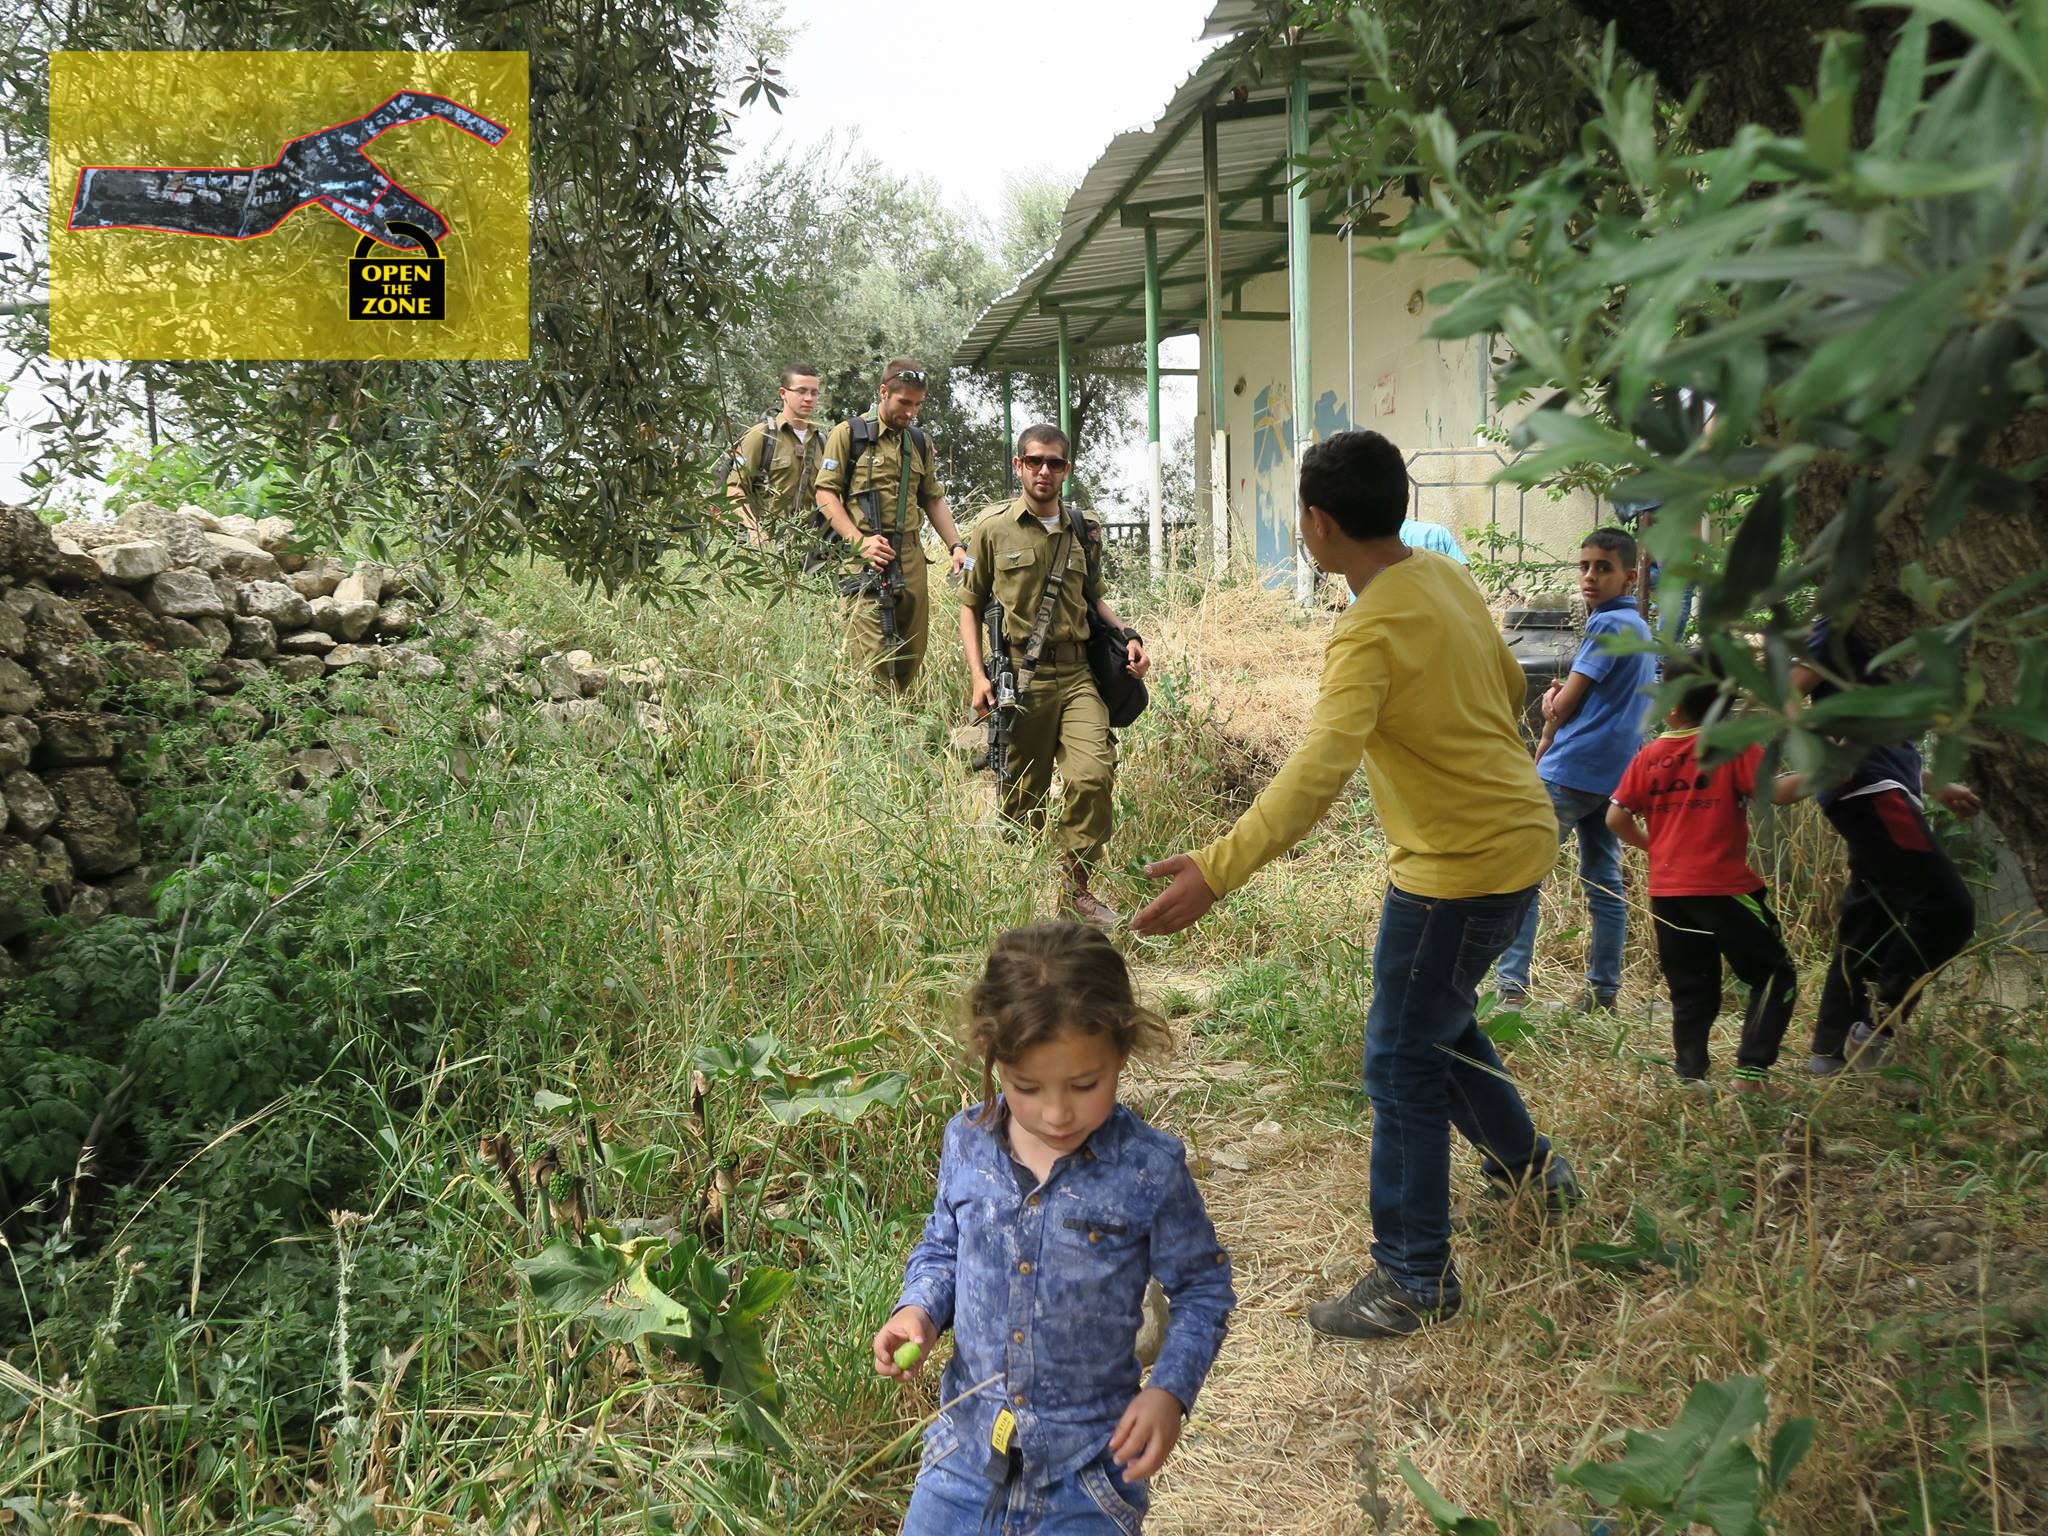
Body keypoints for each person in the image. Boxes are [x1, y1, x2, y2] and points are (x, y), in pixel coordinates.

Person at [1132, 429, 1575, 1342]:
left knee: (1401, 1056)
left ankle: (1414, 1274)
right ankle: (1532, 1173)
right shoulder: (1441, 579)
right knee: (1438, 1030)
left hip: (1458, 869)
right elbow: (1502, 684)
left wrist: (1218, 870)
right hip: (1519, 836)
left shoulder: (1369, 627)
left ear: (1318, 524)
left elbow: (1317, 770)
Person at [874, 922, 1234, 1534]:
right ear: (994, 1059)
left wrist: (1169, 1392)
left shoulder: (1147, 1170)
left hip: (1087, 1476)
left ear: (1121, 1051)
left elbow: (1203, 1289)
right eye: (1027, 1088)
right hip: (963, 1460)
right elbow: (943, 1247)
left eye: (1085, 1085)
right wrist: (919, 1311)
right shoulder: (967, 1142)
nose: (1058, 1112)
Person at [960, 425, 1151, 927]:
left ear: (1066, 470)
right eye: (1035, 461)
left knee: (1093, 775)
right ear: (1019, 465)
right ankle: (1017, 900)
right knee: (1023, 798)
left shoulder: (1083, 528)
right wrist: (979, 676)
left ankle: (1075, 889)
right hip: (1020, 679)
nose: (1045, 471)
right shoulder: (992, 527)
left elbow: (1093, 595)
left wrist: (1127, 634)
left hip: (1078, 674)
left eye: (1056, 463)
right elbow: (969, 605)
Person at [1782, 617, 1981, 1076]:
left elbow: (1885, 735)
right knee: (1947, 909)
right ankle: (1877, 1029)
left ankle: (1830, 1054)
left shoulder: (1894, 622)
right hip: (1871, 792)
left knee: (1870, 921)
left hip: (1883, 786)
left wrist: (1933, 784)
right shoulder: (1847, 619)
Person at [1605, 660, 1798, 1089]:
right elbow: (1779, 792)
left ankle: (1690, 1075)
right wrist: (1829, 771)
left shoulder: (1649, 757)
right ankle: (1750, 1070)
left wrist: (1656, 846)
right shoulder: (1730, 745)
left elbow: (1616, 817)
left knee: (1691, 987)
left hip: (1669, 892)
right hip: (1724, 890)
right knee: (1774, 974)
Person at [1493, 528, 1657, 1012]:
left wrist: (1551, 702)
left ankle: (1510, 989)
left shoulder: (1607, 626)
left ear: (1629, 576)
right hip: (1616, 776)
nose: (1590, 576)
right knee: (1604, 882)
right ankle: (1603, 991)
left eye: (1603, 568)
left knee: (1522, 873)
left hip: (1572, 770)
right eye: (1584, 566)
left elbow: (1565, 702)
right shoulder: (1641, 629)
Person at [814, 358, 970, 692]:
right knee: (872, 667)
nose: (911, 412)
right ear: (884, 392)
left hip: (912, 560)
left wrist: (956, 546)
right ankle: (878, 732)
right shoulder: (849, 434)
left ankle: (901, 726)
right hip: (865, 559)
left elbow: (932, 498)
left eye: (918, 405)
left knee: (909, 659)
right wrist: (859, 542)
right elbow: (825, 494)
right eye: (904, 403)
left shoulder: (918, 442)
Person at [723, 363, 825, 547]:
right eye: (801, 391)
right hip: (762, 547)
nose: (808, 398)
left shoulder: (822, 442)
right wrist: (755, 531)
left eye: (814, 392)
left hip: (806, 552)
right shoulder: (761, 436)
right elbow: (734, 490)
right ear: (783, 393)